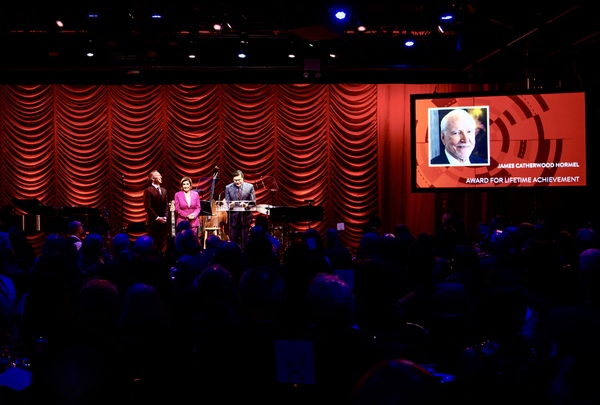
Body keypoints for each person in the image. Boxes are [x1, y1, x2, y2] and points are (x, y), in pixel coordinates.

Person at [224, 169, 255, 249]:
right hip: (233, 219)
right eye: (235, 180)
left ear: (243, 178)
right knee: (233, 244)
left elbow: (253, 202)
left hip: (245, 219)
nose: (237, 182)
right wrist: (230, 205)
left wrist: (246, 205)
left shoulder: (250, 187)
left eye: (239, 180)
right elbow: (227, 202)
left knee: (245, 243)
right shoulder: (228, 188)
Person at [144, 170, 169, 255]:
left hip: (162, 223)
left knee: (161, 243)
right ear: (153, 178)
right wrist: (157, 218)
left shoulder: (164, 190)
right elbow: (148, 207)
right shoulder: (148, 190)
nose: (161, 177)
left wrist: (165, 217)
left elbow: (166, 206)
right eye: (159, 175)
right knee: (153, 244)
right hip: (152, 223)